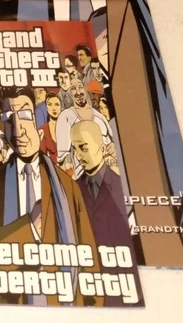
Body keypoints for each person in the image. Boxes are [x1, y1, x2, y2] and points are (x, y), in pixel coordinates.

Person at [0, 85, 101, 306]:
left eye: (26, 116)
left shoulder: (67, 187)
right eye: (8, 118)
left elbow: (89, 264)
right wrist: (29, 230)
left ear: (41, 126)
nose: (18, 130)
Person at [72, 121, 141, 307]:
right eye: (75, 149)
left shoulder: (123, 187)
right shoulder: (72, 190)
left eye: (83, 148)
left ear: (101, 146)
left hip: (124, 286)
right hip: (88, 288)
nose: (79, 156)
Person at [55, 73, 115, 177]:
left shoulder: (100, 117)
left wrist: (113, 150)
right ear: (69, 92)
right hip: (84, 177)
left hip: (108, 173)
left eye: (80, 87)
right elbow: (64, 158)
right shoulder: (65, 117)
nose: (78, 92)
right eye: (73, 88)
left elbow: (113, 143)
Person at [39, 91, 61, 164]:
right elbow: (42, 157)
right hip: (53, 168)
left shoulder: (67, 126)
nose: (53, 108)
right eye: (50, 105)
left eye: (56, 104)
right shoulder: (43, 129)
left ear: (61, 107)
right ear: (46, 108)